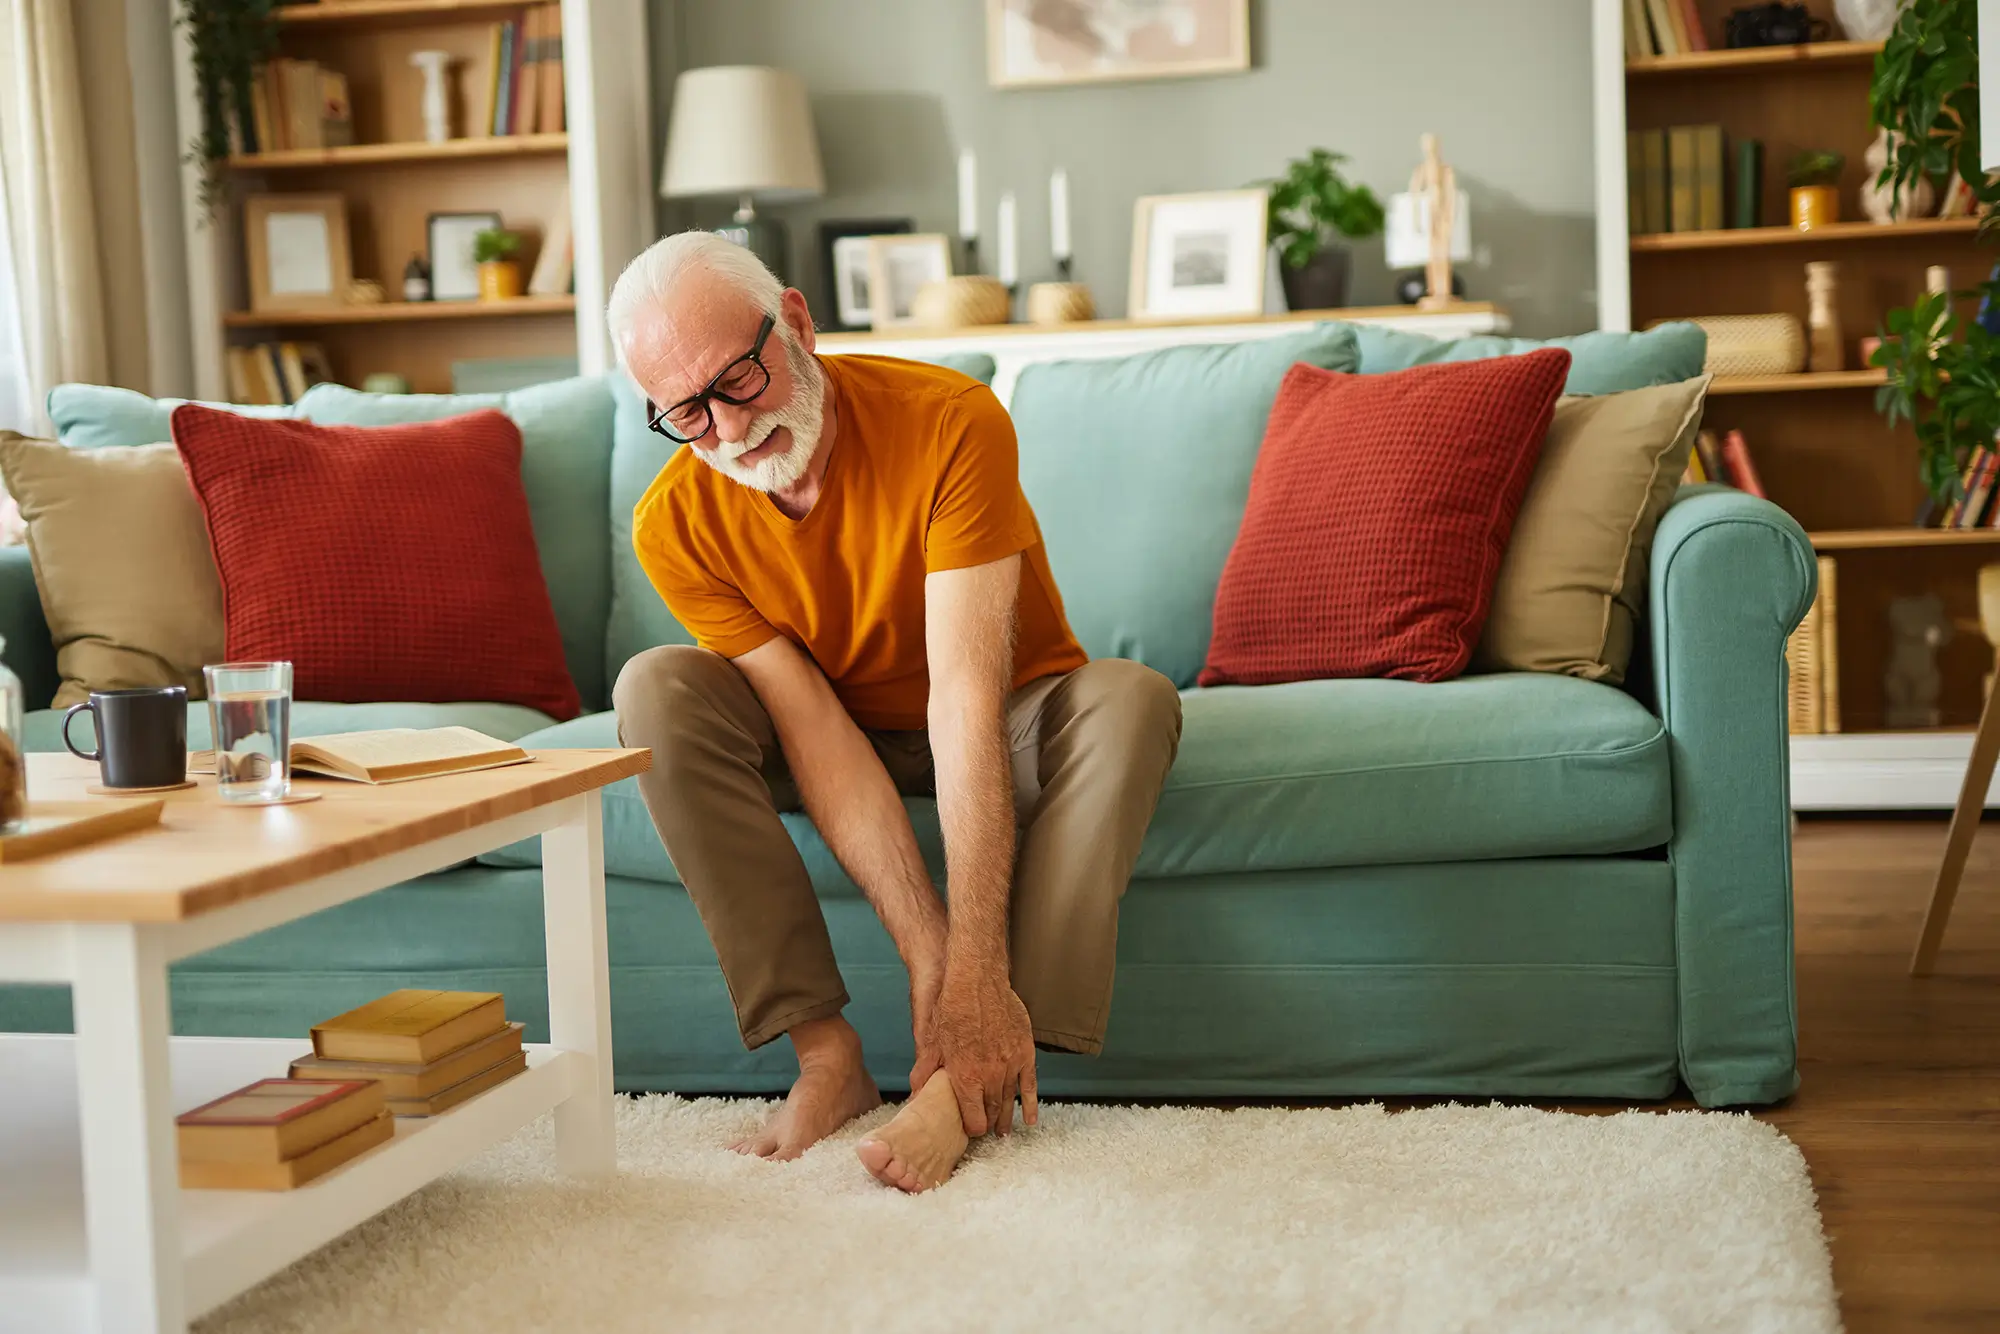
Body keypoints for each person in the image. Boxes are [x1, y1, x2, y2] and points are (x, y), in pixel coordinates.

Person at [606, 232, 1182, 1192]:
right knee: (654, 687)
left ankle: (969, 1082)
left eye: (740, 379)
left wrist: (971, 977)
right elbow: (814, 731)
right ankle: (828, 1060)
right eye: (687, 413)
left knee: (1134, 702)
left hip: (1001, 713)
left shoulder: (950, 419)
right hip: (833, 727)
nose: (730, 430)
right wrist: (928, 955)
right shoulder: (674, 523)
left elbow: (961, 694)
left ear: (797, 322)